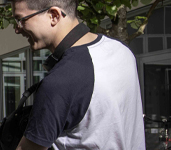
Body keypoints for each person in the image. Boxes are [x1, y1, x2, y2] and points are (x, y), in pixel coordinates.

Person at [10, 0, 145, 149]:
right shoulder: (121, 51)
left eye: (21, 20)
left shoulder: (60, 81)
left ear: (54, 15)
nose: (17, 29)